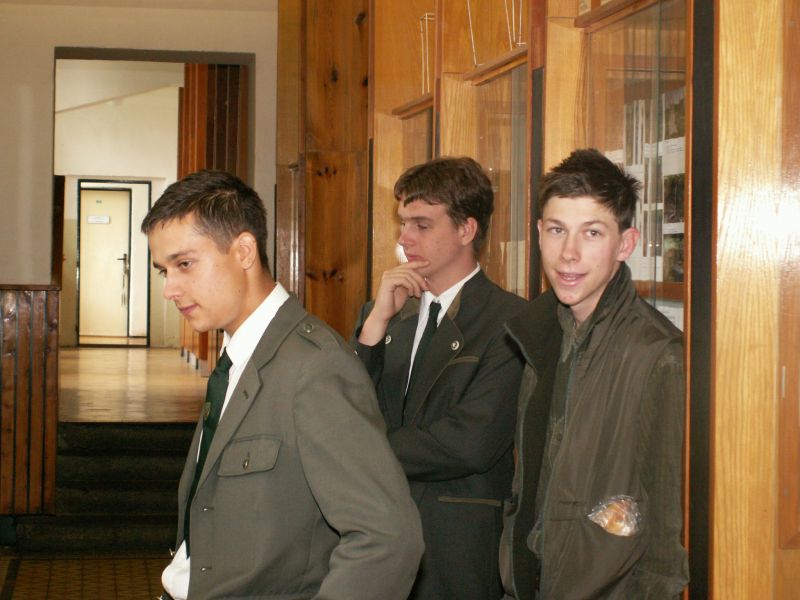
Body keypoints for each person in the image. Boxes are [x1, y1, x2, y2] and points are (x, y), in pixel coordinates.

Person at [142, 170, 423, 600]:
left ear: (244, 251)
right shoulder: (238, 356)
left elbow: (387, 540)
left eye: (184, 264)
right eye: (164, 270)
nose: (170, 289)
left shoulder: (314, 367)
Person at [499, 148, 689, 599]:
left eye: (592, 233)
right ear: (539, 234)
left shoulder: (656, 353)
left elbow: (667, 525)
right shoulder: (540, 331)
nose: (569, 253)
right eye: (557, 230)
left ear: (626, 244)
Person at [351, 156, 526, 600]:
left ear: (466, 229)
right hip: (378, 537)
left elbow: (469, 442)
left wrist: (358, 450)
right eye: (403, 223)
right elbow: (347, 410)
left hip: (456, 548)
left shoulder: (511, 322)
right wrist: (374, 327)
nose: (404, 238)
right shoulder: (384, 313)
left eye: (422, 225)